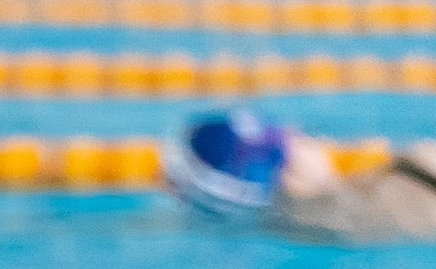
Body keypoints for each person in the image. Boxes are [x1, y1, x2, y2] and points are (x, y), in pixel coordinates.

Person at [167, 107, 436, 245]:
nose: (301, 133)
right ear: (293, 176)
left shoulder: (306, 221)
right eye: (289, 139)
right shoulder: (353, 214)